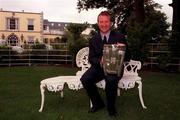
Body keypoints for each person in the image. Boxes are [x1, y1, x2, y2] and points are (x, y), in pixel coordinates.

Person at [80, 11, 130, 117]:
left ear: (110, 23)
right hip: (99, 67)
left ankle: (111, 107)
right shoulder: (93, 39)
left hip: (115, 68)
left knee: (110, 80)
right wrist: (100, 61)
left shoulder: (120, 37)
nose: (104, 24)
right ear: (98, 23)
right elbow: (91, 58)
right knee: (85, 79)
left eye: (106, 21)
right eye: (101, 22)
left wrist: (122, 49)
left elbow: (129, 56)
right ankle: (98, 103)